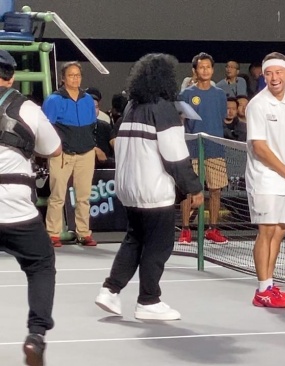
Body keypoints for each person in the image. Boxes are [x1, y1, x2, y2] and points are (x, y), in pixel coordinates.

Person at [94, 53, 204, 320]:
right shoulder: (164, 109)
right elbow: (175, 156)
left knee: (134, 240)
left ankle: (110, 291)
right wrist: (194, 187)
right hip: (153, 192)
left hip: (129, 190)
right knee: (159, 245)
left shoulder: (131, 107)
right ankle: (148, 301)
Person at [0, 50, 62, 366]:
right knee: (40, 264)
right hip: (15, 208)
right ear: (11, 77)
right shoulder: (27, 107)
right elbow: (53, 148)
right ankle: (36, 336)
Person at [245, 52, 285, 308]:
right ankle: (261, 290)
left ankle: (269, 285)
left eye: (278, 72)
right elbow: (259, 147)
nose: (274, 78)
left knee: (280, 231)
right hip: (265, 178)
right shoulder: (257, 106)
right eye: (269, 73)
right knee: (267, 231)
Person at [42, 61, 97, 247]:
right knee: (57, 195)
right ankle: (53, 234)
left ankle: (83, 233)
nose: (75, 78)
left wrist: (92, 145)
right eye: (71, 75)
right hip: (62, 154)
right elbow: (46, 127)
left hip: (86, 153)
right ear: (63, 78)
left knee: (84, 196)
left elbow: (91, 125)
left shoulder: (88, 99)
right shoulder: (54, 100)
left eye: (78, 75)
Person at [178, 52, 229, 244]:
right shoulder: (185, 95)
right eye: (201, 67)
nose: (205, 70)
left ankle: (213, 229)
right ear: (194, 70)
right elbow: (180, 121)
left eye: (208, 67)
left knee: (215, 190)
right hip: (191, 149)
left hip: (215, 149)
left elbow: (222, 117)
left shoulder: (220, 95)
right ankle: (185, 230)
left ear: (212, 69)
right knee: (189, 191)